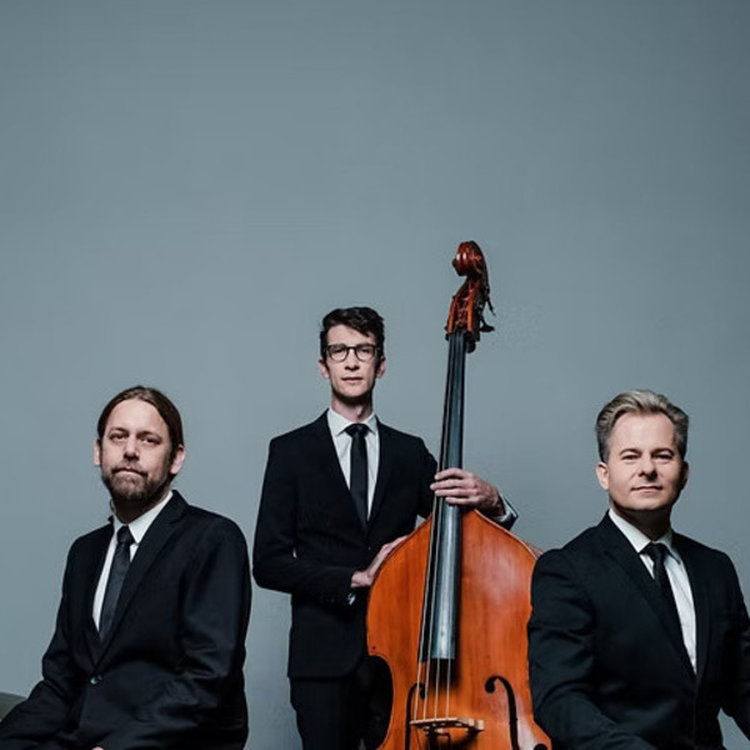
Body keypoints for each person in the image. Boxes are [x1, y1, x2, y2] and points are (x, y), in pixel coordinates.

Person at [253, 306, 516, 750]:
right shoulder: (290, 452)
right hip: (322, 664)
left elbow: (460, 532)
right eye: (339, 351)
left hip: (400, 660)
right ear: (323, 366)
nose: (352, 362)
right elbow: (268, 563)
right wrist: (356, 578)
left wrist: (495, 502)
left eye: (364, 350)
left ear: (381, 364)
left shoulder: (409, 453)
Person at [0, 386, 251, 750]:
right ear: (98, 451)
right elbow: (60, 683)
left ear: (176, 458)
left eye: (148, 440)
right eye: (118, 437)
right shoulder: (84, 553)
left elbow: (206, 677)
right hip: (82, 736)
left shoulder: (213, 539)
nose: (130, 450)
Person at [528, 389, 750, 749]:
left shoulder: (715, 569)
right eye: (630, 456)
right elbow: (560, 701)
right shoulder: (566, 570)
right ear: (604, 474)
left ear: (684, 472)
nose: (647, 469)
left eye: (663, 455)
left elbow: (743, 687)